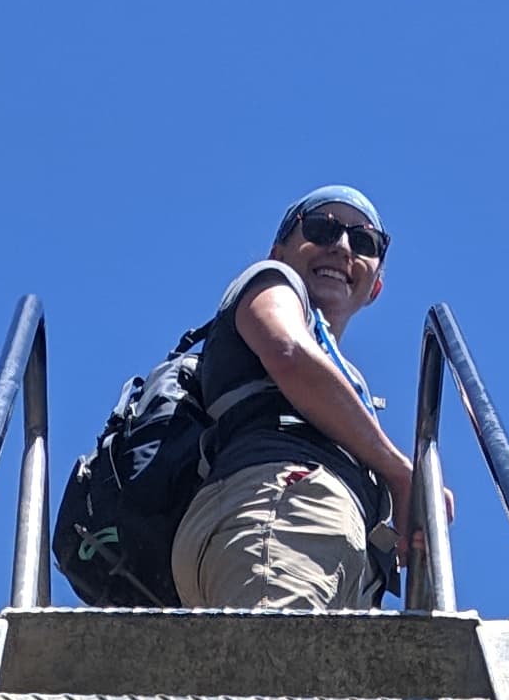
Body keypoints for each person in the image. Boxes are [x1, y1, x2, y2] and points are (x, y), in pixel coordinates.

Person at [172, 188, 433, 611]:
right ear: (279, 251)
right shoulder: (272, 282)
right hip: (280, 506)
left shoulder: (345, 377)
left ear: (376, 286)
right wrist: (401, 473)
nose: (342, 246)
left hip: (321, 541)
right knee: (281, 671)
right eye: (321, 229)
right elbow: (288, 352)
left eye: (364, 242)